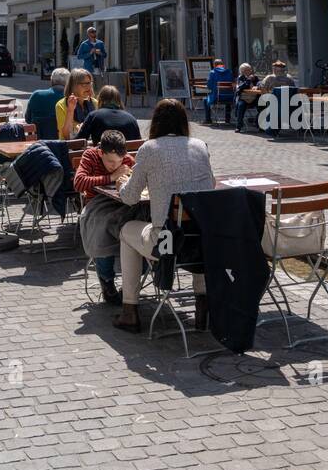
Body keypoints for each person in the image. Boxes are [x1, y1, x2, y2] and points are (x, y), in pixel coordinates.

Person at [114, 99, 214, 333]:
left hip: (167, 243)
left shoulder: (149, 149)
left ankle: (130, 309)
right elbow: (211, 183)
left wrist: (122, 183)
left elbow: (129, 198)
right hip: (202, 241)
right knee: (195, 228)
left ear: (155, 124)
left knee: (126, 230)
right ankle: (202, 303)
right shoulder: (200, 145)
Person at [74, 130, 136, 304]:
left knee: (139, 226)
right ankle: (106, 280)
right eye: (109, 161)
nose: (114, 165)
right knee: (100, 230)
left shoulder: (127, 161)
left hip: (120, 206)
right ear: (101, 152)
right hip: (97, 206)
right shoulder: (91, 155)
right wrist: (109, 177)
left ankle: (132, 283)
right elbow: (79, 183)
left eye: (118, 162)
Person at [25, 67, 69, 140]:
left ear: (51, 80)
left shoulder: (36, 95)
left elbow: (28, 119)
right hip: (61, 143)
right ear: (68, 83)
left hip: (38, 142)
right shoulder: (71, 99)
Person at [55, 69, 98, 138]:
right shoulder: (61, 105)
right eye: (84, 84)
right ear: (74, 86)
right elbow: (66, 136)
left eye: (90, 83)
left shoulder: (95, 103)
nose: (89, 87)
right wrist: (70, 110)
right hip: (70, 146)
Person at [203, 58, 234, 125]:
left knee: (205, 100)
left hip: (217, 97)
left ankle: (208, 119)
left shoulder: (212, 72)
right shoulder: (229, 72)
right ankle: (227, 119)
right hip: (230, 97)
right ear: (222, 65)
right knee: (227, 99)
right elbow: (232, 83)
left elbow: (209, 86)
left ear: (214, 65)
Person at [234, 63, 261, 131]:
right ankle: (239, 126)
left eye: (249, 70)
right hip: (243, 98)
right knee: (241, 106)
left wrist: (257, 86)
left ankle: (259, 124)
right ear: (242, 71)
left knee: (262, 105)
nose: (249, 71)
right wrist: (248, 80)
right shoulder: (240, 78)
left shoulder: (255, 77)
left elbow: (259, 83)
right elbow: (240, 87)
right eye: (246, 70)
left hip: (254, 97)